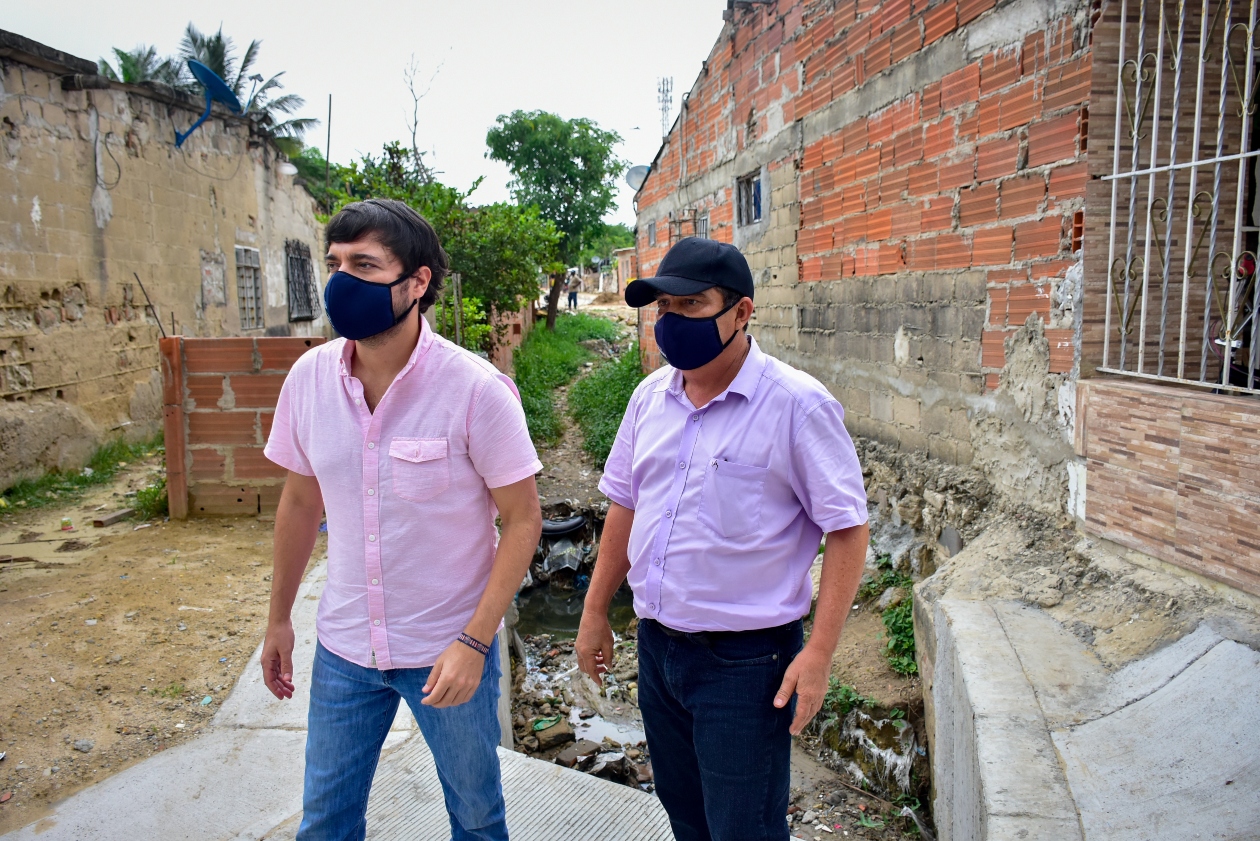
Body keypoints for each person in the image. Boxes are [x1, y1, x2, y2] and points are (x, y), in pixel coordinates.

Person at [261, 198, 543, 841]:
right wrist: (279, 619)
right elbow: (301, 503)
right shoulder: (307, 380)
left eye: (364, 265)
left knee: (475, 817)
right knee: (325, 820)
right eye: (335, 264)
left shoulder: (475, 390)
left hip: (448, 647)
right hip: (345, 646)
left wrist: (475, 642)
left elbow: (523, 521)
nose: (341, 282)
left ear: (416, 283)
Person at [576, 237, 869, 841]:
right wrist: (594, 609)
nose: (672, 322)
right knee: (685, 816)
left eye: (691, 306)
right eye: (664, 309)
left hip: (746, 664)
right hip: (658, 648)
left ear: (741, 312)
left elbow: (847, 529)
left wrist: (818, 654)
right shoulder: (648, 398)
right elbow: (624, 506)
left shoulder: (797, 407)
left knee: (745, 829)